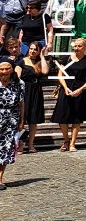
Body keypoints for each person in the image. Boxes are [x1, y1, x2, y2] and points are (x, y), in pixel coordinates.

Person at [51, 38, 86, 152]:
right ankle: (66, 140)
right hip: (66, 89)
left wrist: (81, 89)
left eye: (79, 46)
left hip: (80, 90)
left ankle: (72, 143)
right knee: (62, 117)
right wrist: (65, 88)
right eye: (75, 46)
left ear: (85, 47)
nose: (76, 48)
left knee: (76, 118)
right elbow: (60, 75)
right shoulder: (66, 59)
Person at [18, 41, 48, 153]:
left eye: (35, 49)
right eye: (31, 48)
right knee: (22, 118)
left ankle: (30, 144)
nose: (32, 51)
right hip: (25, 91)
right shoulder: (22, 62)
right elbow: (17, 78)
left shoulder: (40, 62)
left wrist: (42, 57)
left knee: (33, 120)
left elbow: (45, 71)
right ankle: (20, 144)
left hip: (36, 91)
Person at [0, 59, 23, 188]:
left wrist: (21, 121)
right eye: (1, 69)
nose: (4, 71)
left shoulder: (18, 84)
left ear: (12, 69)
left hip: (10, 120)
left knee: (6, 148)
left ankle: (0, 178)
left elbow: (21, 103)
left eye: (7, 68)